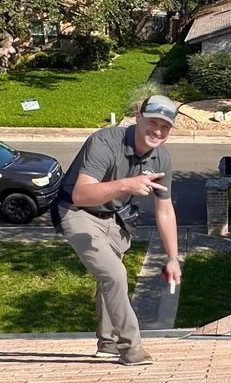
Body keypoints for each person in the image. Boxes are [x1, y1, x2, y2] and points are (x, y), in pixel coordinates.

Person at [53, 94, 182, 366]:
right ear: (138, 117)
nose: (157, 131)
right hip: (77, 212)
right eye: (153, 122)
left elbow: (165, 209)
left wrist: (172, 257)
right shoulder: (105, 141)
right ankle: (131, 348)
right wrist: (126, 185)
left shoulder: (162, 159)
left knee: (109, 277)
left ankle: (108, 343)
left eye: (165, 127)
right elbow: (80, 194)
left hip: (113, 216)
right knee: (115, 273)